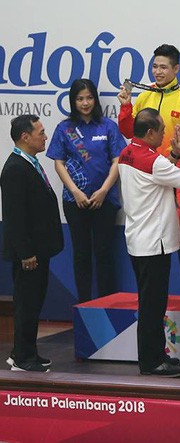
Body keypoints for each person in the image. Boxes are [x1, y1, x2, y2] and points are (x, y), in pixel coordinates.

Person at [117, 44, 180, 305]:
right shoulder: (144, 97)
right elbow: (130, 131)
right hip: (152, 172)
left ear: (176, 69)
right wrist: (125, 107)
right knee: (161, 228)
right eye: (154, 66)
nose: (158, 71)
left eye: (163, 67)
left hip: (175, 169)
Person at [118, 108, 180, 377]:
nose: (165, 134)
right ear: (150, 132)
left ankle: (157, 352)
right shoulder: (152, 161)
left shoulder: (129, 153)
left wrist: (172, 154)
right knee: (152, 306)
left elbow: (158, 169)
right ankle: (150, 362)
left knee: (152, 302)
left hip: (139, 238)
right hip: (154, 241)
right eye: (162, 130)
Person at [46, 78, 126, 303]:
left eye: (89, 97)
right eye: (80, 99)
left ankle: (107, 304)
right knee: (81, 255)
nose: (85, 103)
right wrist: (75, 192)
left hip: (105, 199)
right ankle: (83, 305)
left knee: (104, 253)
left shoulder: (108, 126)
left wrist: (103, 191)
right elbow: (58, 163)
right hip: (75, 202)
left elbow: (118, 160)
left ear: (95, 99)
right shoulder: (65, 128)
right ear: (73, 101)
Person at [1, 115, 63, 372]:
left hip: (39, 249)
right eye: (40, 132)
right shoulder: (15, 168)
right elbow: (14, 217)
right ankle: (22, 358)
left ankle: (26, 352)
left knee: (35, 301)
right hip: (28, 254)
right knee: (26, 303)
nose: (45, 136)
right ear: (25, 137)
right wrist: (25, 253)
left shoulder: (30, 163)